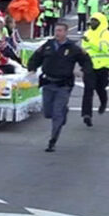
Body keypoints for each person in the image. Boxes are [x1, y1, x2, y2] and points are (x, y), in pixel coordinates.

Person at [27, 21, 93, 152]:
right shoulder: (48, 45)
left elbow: (86, 60)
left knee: (57, 114)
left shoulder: (73, 48)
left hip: (63, 85)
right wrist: (32, 68)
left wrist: (84, 71)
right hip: (48, 83)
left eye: (60, 31)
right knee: (47, 113)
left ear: (65, 32)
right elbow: (36, 57)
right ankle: (64, 112)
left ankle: (52, 140)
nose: (57, 33)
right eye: (56, 30)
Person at [81, 12, 109, 127]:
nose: (92, 23)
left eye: (95, 21)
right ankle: (86, 114)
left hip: (103, 66)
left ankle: (103, 101)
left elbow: (104, 48)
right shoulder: (87, 33)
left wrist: (91, 42)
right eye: (92, 20)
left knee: (100, 88)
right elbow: (85, 49)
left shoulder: (105, 33)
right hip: (89, 66)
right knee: (88, 90)